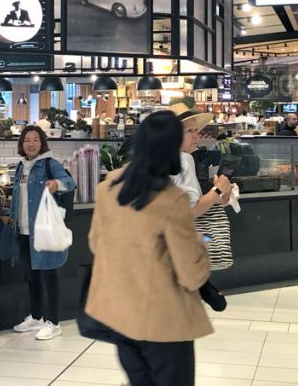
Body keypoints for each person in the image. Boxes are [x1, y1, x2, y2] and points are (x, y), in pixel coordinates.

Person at [87, 111, 212, 386]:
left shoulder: (109, 186)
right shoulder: (171, 200)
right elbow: (191, 274)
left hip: (119, 313)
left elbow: (96, 243)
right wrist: (201, 245)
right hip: (162, 321)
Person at [9, 126, 77, 341]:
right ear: (21, 144)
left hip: (43, 230)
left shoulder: (49, 164)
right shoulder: (21, 167)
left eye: (35, 140)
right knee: (32, 277)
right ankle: (37, 317)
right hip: (23, 230)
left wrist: (57, 183)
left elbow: (70, 183)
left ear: (42, 143)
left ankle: (53, 322)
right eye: (27, 140)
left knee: (49, 276)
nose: (31, 144)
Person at [169, 104, 233, 271]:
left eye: (196, 131)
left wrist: (221, 195)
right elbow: (190, 211)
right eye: (190, 131)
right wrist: (218, 189)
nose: (196, 137)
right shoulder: (182, 160)